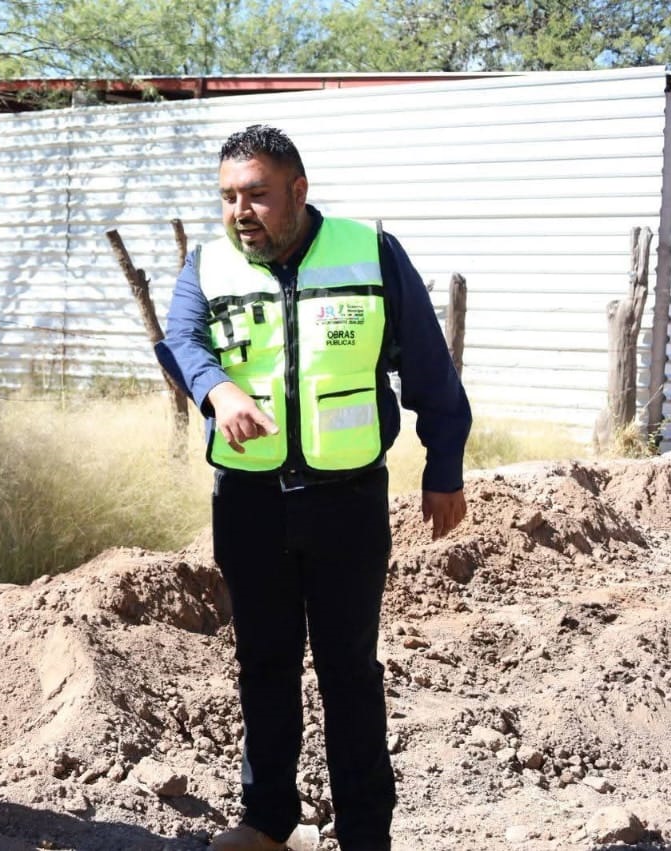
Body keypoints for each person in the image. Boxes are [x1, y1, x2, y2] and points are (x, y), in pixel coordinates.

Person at [156, 125, 471, 851]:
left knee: (348, 670)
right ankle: (268, 820)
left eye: (257, 194)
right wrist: (216, 390)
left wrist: (442, 465)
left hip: (347, 500)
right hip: (248, 502)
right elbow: (183, 341)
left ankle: (365, 833)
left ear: (297, 191)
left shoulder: (368, 252)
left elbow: (426, 364)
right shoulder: (205, 265)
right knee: (263, 662)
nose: (241, 211)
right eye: (229, 197)